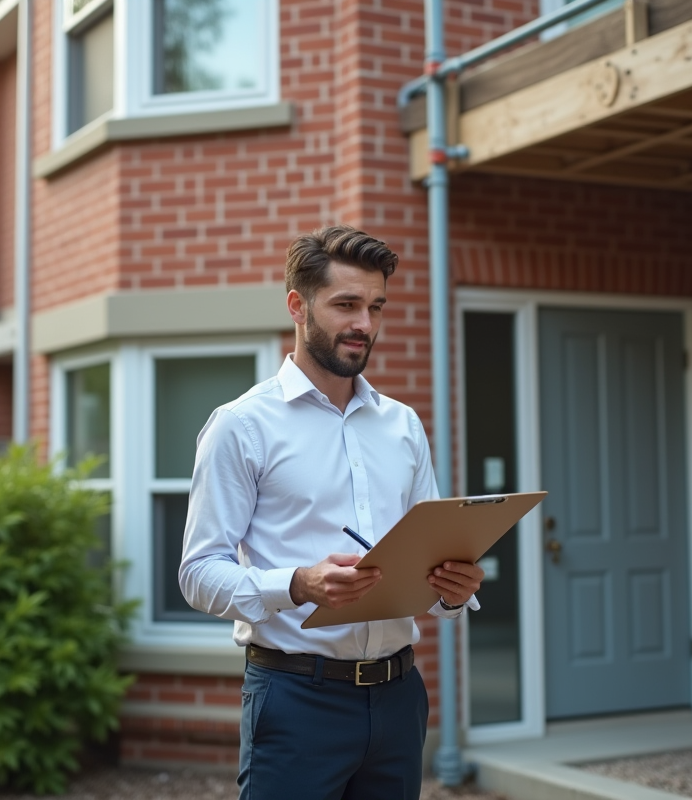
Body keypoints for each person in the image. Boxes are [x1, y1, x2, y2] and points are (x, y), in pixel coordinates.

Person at [178, 225, 484, 800]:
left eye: (375, 306)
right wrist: (298, 583)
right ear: (298, 305)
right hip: (296, 699)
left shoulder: (402, 425)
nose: (364, 324)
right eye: (346, 305)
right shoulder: (241, 425)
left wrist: (453, 587)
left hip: (398, 699)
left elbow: (432, 553)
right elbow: (198, 574)